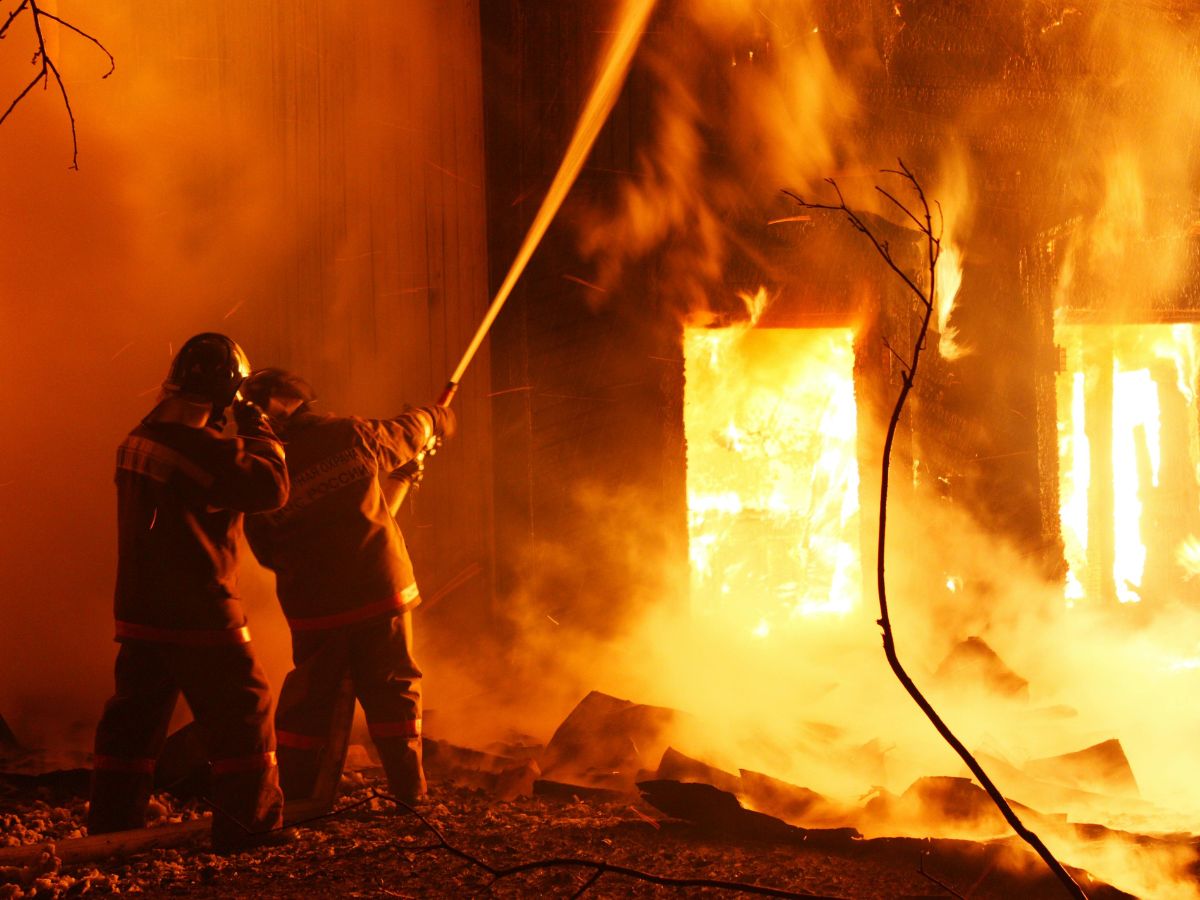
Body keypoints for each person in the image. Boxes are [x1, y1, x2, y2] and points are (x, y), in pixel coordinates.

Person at [89, 333, 289, 852]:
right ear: (225, 396)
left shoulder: (140, 435)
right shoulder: (198, 449)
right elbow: (270, 487)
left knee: (132, 725)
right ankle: (250, 830)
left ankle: (112, 829)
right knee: (247, 710)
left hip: (141, 610)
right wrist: (257, 424)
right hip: (198, 612)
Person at [240, 369, 454, 805]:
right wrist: (436, 417)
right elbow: (408, 431)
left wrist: (403, 478)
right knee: (394, 692)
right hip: (379, 592)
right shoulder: (349, 435)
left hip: (315, 608)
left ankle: (298, 797)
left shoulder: (260, 470)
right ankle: (410, 796)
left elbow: (265, 552)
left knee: (308, 705)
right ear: (300, 401)